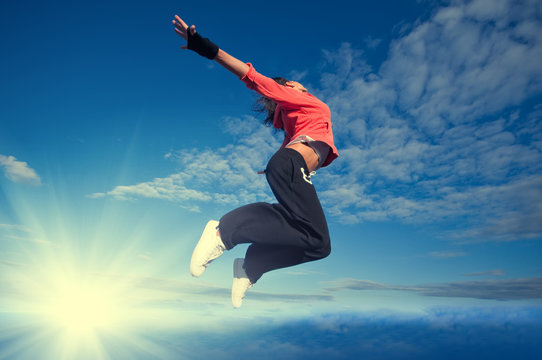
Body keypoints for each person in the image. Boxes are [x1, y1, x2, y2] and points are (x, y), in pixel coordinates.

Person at [172, 15, 339, 308]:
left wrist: (281, 162)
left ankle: (252, 266)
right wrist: (209, 49)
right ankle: (223, 232)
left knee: (319, 244)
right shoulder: (301, 100)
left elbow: (292, 143)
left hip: (289, 166)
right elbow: (254, 78)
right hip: (290, 165)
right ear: (290, 88)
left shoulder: (293, 125)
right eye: (297, 84)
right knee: (310, 232)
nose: (303, 86)